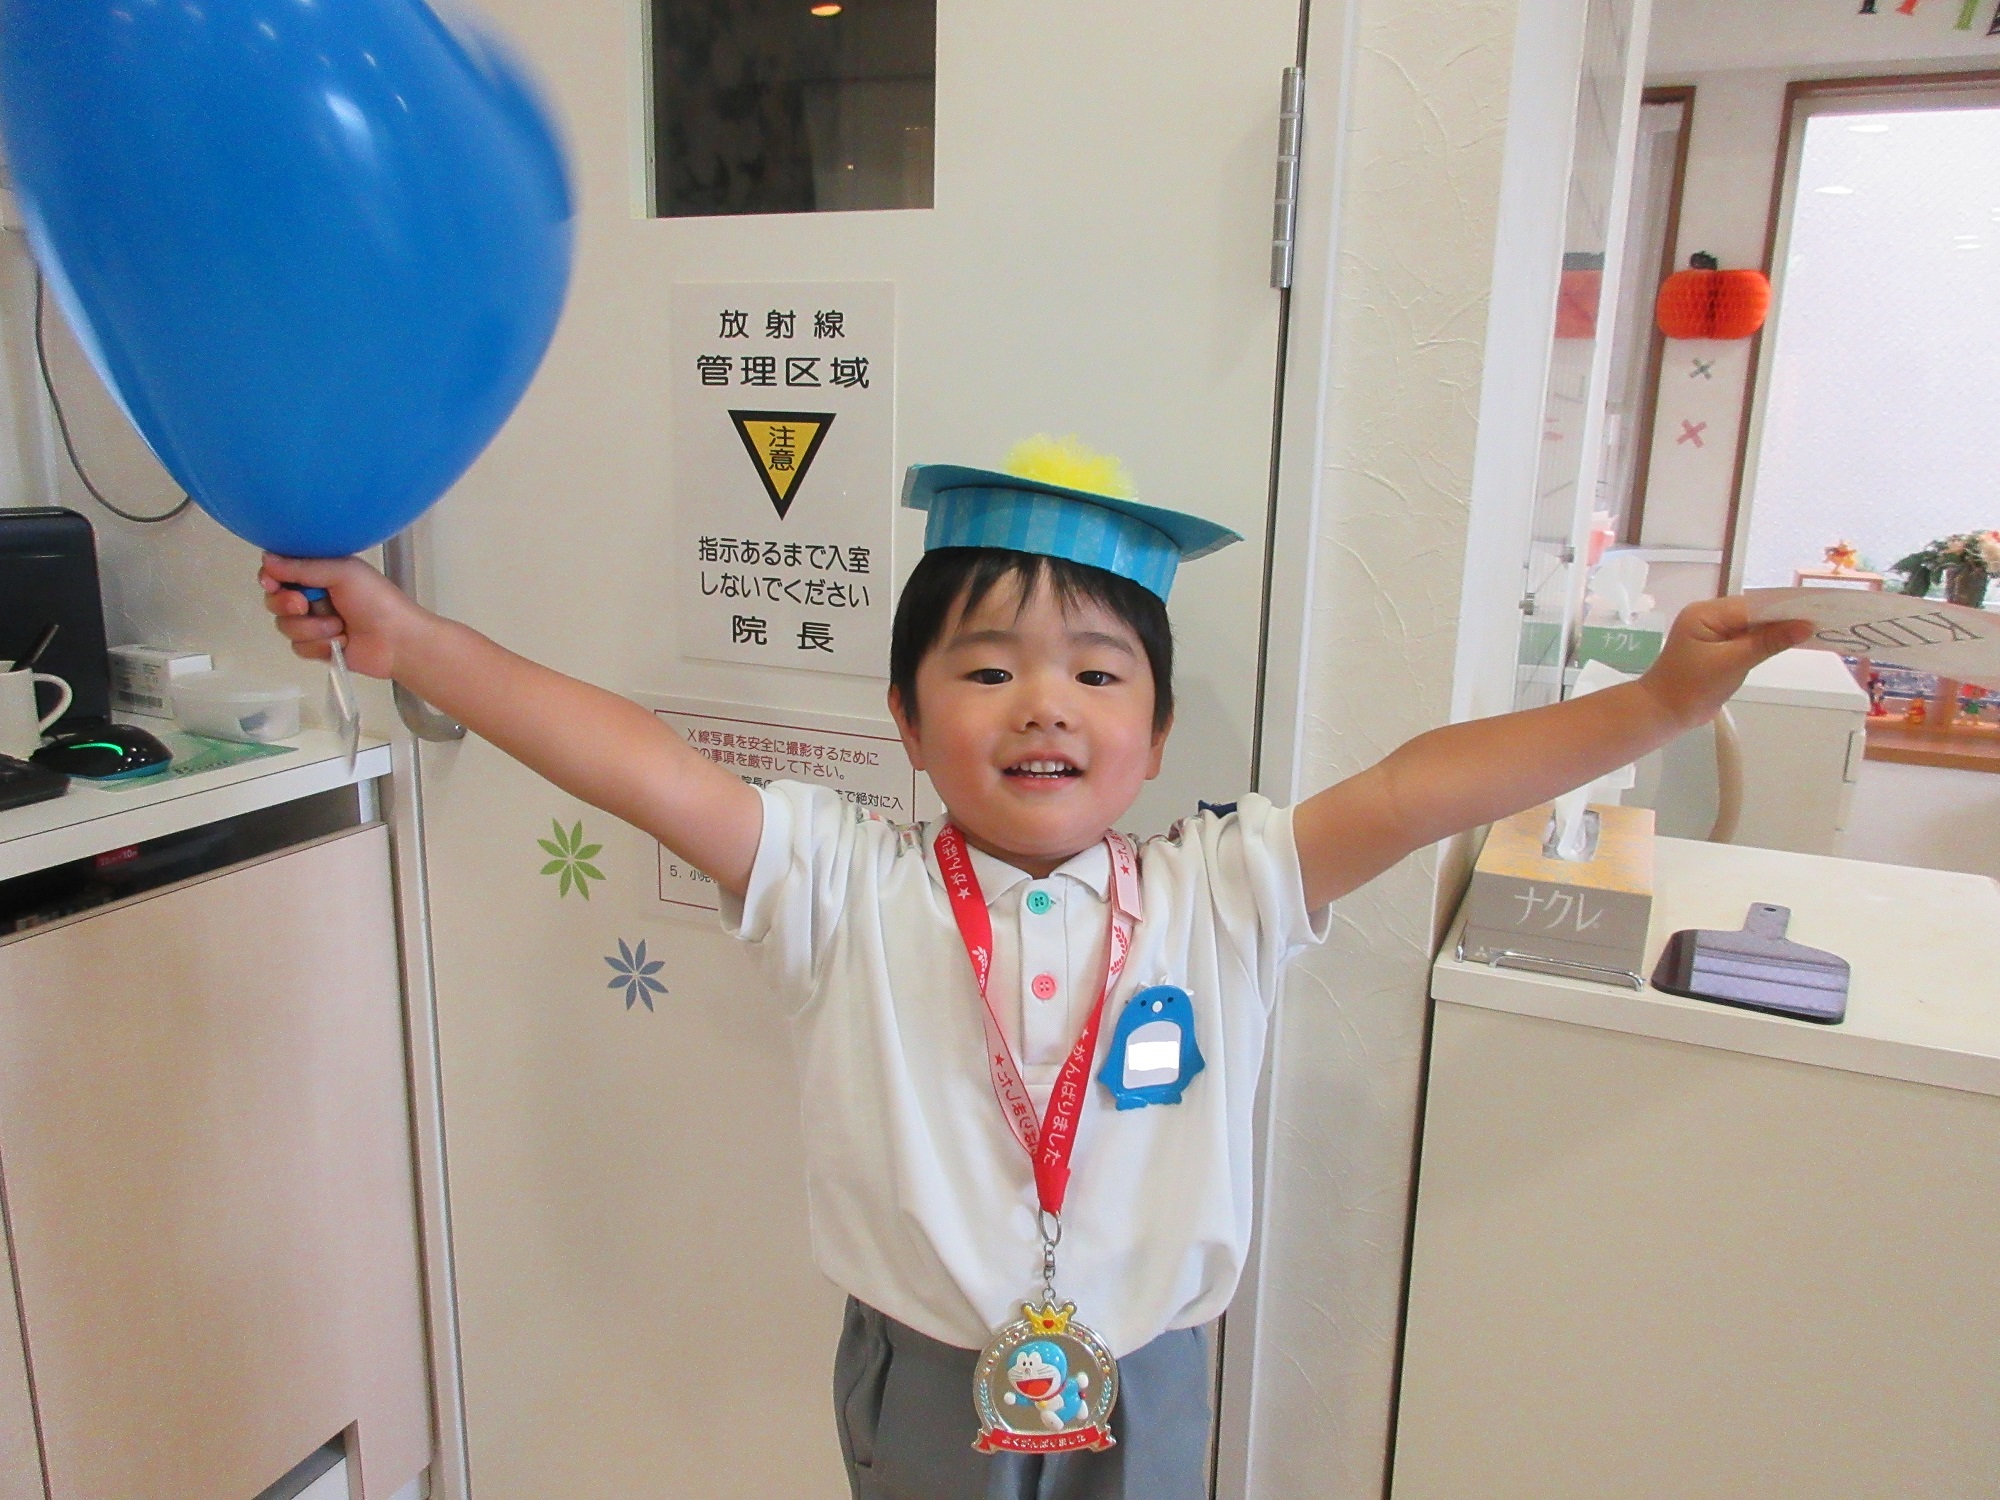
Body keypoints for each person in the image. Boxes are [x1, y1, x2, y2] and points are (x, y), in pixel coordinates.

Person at [260, 439, 1810, 1500]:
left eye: (1095, 671)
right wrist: (417, 644)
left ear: (1157, 730)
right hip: (932, 1377)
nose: (1043, 705)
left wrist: (1658, 707)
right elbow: (649, 771)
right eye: (988, 669)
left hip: (1152, 1372)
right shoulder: (844, 884)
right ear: (907, 716)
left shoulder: (1223, 889)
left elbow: (1414, 791)